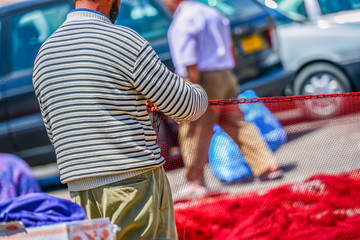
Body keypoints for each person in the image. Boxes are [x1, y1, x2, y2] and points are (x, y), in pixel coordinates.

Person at [32, 0, 208, 239]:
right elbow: (186, 106)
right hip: (132, 183)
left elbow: (55, 133)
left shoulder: (44, 54)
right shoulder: (123, 40)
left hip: (80, 190)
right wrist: (202, 91)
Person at [163, 0, 283, 196]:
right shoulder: (211, 12)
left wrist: (192, 93)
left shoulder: (184, 19)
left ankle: (196, 183)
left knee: (193, 130)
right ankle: (268, 166)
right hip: (224, 74)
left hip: (202, 77)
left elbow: (189, 61)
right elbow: (230, 46)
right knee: (237, 123)